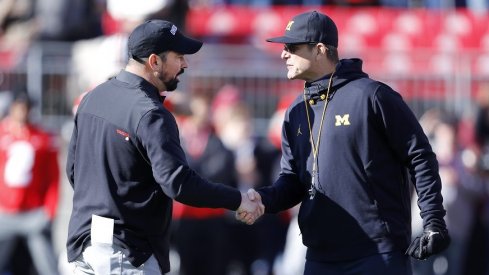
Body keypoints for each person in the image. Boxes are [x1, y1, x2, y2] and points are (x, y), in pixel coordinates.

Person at [237, 10, 450, 274]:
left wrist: (433, 221)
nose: (283, 54)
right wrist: (263, 199)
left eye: (292, 47)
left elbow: (420, 156)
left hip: (376, 253)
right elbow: (293, 181)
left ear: (320, 50)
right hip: (319, 256)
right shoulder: (295, 111)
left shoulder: (372, 96)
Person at [65, 19, 264, 275]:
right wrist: (238, 200)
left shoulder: (92, 97)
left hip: (85, 247)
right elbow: (178, 183)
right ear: (154, 61)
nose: (185, 64)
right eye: (178, 56)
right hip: (127, 256)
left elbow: (74, 171)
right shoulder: (151, 113)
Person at [0, 91, 60, 275]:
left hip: (33, 214)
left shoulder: (43, 138)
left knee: (47, 264)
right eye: (18, 107)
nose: (22, 112)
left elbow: (53, 177)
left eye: (25, 108)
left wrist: (49, 209)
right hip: (4, 212)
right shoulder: (2, 134)